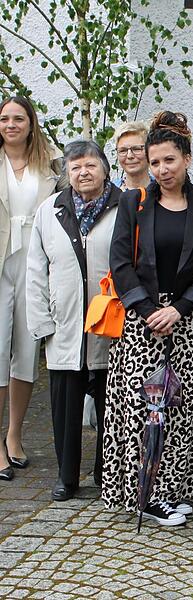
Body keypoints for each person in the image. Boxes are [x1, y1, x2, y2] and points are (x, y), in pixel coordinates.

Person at [103, 111, 193, 526]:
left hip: (188, 324)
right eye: (155, 162)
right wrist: (149, 310)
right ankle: (146, 494)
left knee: (182, 408)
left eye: (169, 160)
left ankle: (172, 488)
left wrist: (180, 308)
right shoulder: (133, 202)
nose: (161, 169)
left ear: (187, 158)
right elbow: (120, 262)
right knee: (145, 410)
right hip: (142, 326)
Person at [26, 140, 120, 500]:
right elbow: (36, 269)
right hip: (64, 323)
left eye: (91, 165)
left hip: (110, 325)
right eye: (75, 166)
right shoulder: (50, 210)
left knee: (111, 407)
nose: (83, 172)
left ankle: (105, 471)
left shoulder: (123, 205)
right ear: (66, 172)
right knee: (64, 408)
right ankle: (67, 475)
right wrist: (42, 322)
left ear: (105, 168)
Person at [0, 96, 62, 480]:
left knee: (26, 351)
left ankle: (14, 435)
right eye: (4, 118)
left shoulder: (50, 164)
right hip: (0, 262)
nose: (10, 124)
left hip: (35, 266)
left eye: (18, 118)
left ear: (31, 122)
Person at [111, 121, 153, 191]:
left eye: (136, 149)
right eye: (123, 150)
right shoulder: (110, 192)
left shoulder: (163, 190)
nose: (129, 156)